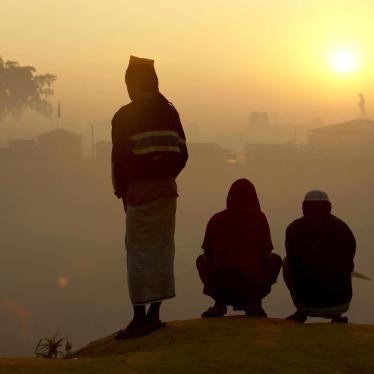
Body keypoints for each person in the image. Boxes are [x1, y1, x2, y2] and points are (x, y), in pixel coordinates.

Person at [111, 56, 188, 339]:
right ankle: (155, 315)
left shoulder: (124, 116)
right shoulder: (170, 112)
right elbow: (183, 154)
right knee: (162, 251)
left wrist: (124, 192)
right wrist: (165, 177)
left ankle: (139, 318)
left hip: (139, 194)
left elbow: (119, 161)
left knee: (138, 254)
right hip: (167, 192)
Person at [196, 179, 282, 317]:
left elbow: (207, 254)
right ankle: (254, 304)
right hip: (250, 288)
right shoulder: (259, 219)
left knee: (200, 260)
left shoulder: (216, 219)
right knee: (276, 260)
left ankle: (219, 304)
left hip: (220, 287)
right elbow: (266, 255)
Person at [284, 190, 356, 323]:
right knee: (346, 265)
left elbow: (294, 264)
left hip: (307, 303)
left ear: (304, 208)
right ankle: (336, 316)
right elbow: (349, 262)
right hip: (339, 304)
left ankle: (301, 311)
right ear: (329, 207)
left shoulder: (294, 228)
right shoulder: (343, 228)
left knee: (286, 262)